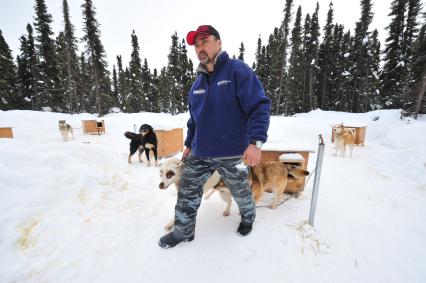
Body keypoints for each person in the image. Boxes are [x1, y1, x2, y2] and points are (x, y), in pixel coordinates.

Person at [159, 25, 271, 248]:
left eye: (205, 41)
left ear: (218, 43)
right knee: (187, 192)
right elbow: (194, 120)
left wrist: (256, 143)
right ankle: (183, 231)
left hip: (233, 152)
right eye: (196, 44)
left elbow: (259, 106)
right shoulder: (197, 84)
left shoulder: (237, 71)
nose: (200, 47)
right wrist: (190, 144)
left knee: (240, 190)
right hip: (201, 153)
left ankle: (248, 218)